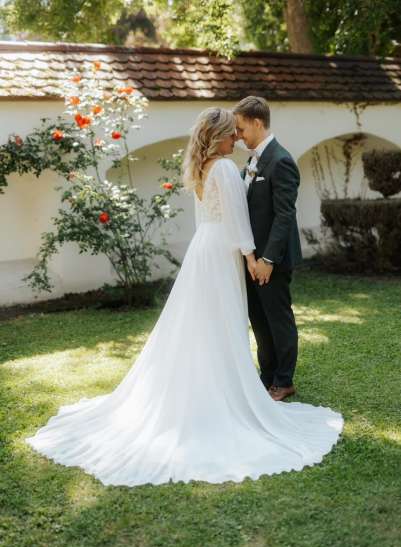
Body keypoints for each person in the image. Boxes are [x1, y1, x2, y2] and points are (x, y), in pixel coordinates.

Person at [26, 107, 343, 487]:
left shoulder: (200, 166)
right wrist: (250, 257)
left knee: (202, 320)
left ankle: (220, 383)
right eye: (232, 133)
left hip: (204, 248)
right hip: (224, 252)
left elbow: (206, 218)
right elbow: (238, 220)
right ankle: (227, 389)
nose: (236, 138)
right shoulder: (225, 167)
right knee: (222, 320)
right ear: (220, 136)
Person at [234, 96, 303, 402]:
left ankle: (284, 380)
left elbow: (284, 215)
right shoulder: (252, 161)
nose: (238, 135)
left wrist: (268, 259)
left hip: (272, 260)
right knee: (259, 320)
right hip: (252, 260)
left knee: (278, 319)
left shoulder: (281, 160)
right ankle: (268, 375)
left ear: (257, 122)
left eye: (241, 128)